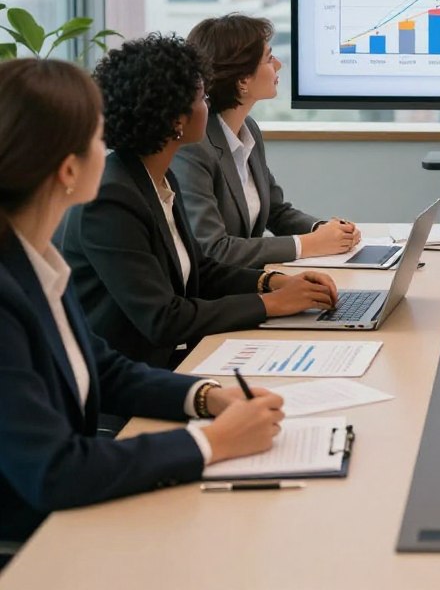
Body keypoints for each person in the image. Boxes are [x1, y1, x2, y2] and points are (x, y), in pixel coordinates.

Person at [0, 57, 286, 547]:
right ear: (69, 169)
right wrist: (212, 442)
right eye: (96, 137)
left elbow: (103, 368)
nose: (108, 147)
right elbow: (56, 470)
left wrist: (206, 397)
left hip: (71, 512)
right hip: (39, 544)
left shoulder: (35, 260)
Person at [61, 34, 338, 369]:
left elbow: (200, 271)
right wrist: (271, 304)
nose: (209, 104)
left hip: (167, 361)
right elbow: (163, 319)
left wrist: (273, 282)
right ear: (177, 120)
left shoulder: (156, 177)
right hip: (126, 384)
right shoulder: (110, 200)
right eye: (203, 97)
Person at [171, 14, 360, 267]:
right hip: (215, 296)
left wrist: (325, 230)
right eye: (269, 58)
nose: (279, 64)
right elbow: (213, 249)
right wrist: (309, 245)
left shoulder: (248, 129)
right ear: (242, 81)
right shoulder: (194, 148)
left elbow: (275, 211)